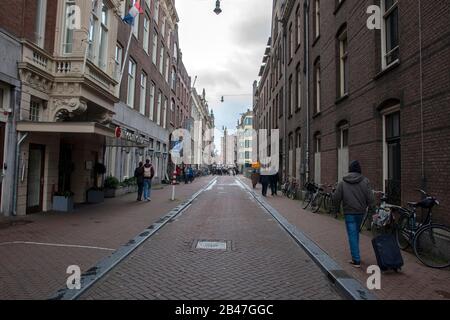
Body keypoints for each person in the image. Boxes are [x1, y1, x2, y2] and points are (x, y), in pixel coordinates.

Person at [332, 160, 375, 268]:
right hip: (360, 212)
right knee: (355, 232)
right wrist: (372, 210)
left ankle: (356, 259)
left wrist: (336, 210)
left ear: (350, 170)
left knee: (352, 234)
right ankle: (356, 255)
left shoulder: (342, 182)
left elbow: (336, 198)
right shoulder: (365, 181)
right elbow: (370, 198)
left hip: (349, 212)